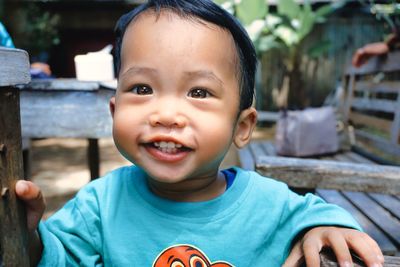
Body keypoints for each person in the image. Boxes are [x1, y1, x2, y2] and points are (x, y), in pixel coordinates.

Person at [16, 1, 384, 266]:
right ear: (114, 110)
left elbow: (322, 218)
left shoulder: (269, 204)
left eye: (199, 93)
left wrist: (327, 229)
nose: (166, 115)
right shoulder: (100, 204)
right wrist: (28, 235)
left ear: (241, 127)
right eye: (142, 89)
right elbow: (57, 256)